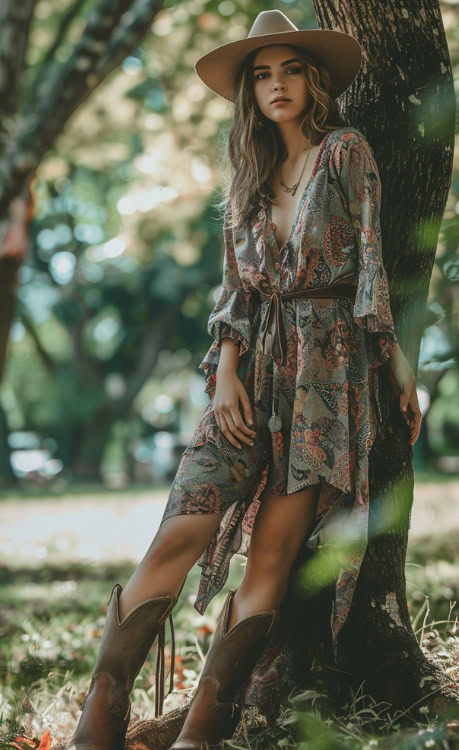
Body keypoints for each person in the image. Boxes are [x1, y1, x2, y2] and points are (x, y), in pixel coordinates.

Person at [67, 9, 422, 750]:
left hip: (327, 379)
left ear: (313, 79)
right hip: (251, 372)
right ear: (248, 94)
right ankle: (97, 724)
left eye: (290, 69)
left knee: (271, 557)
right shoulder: (249, 174)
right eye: (262, 75)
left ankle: (202, 733)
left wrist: (398, 366)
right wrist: (225, 376)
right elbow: (235, 290)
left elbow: (371, 267)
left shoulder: (345, 152)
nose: (277, 84)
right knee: (179, 533)